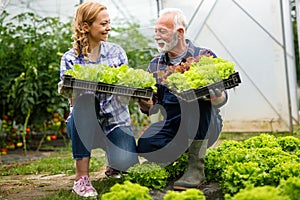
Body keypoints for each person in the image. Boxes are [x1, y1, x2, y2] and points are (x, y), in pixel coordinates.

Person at [137, 8, 228, 190]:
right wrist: (143, 100)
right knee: (146, 143)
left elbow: (223, 99)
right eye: (155, 31)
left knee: (196, 98)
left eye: (162, 31)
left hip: (206, 123)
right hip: (174, 124)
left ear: (179, 33)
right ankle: (181, 154)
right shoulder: (155, 64)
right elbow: (152, 108)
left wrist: (215, 96)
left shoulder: (204, 56)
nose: (157, 36)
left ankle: (195, 168)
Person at [58, 1, 138, 198]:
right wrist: (78, 88)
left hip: (114, 121)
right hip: (84, 124)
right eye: (103, 24)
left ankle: (114, 162)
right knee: (85, 102)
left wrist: (128, 89)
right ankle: (81, 178)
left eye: (108, 23)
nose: (108, 28)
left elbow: (124, 98)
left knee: (127, 162)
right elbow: (72, 101)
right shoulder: (70, 58)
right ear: (86, 27)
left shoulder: (116, 52)